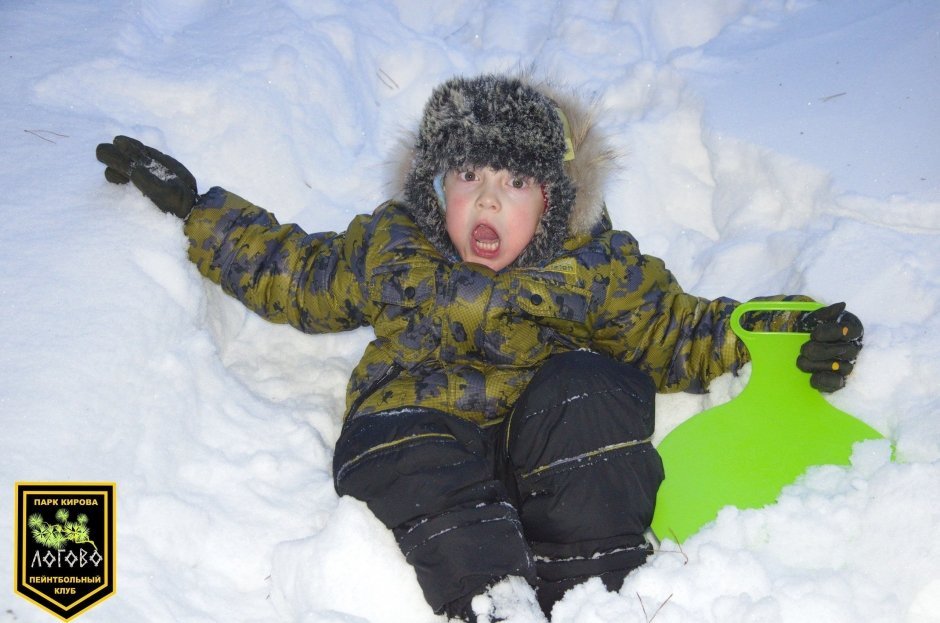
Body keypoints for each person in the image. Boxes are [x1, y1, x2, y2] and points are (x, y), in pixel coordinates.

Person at [96, 73, 862, 622]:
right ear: (435, 190)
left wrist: (786, 331)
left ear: (555, 201)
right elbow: (296, 272)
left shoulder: (593, 266)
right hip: (419, 424)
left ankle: (599, 590)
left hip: (540, 441)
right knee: (408, 446)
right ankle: (498, 602)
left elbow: (678, 327)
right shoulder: (391, 247)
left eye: (515, 182)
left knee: (591, 387)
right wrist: (199, 210)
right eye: (468, 176)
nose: (487, 199)